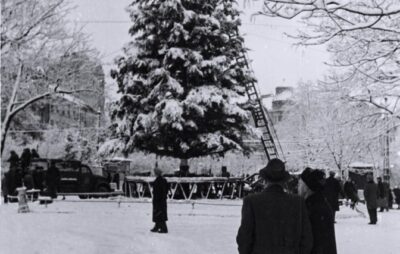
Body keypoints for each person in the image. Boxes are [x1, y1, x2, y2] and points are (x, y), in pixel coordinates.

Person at [237, 159, 313, 254]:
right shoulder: (297, 202)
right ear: (284, 181)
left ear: (264, 179)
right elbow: (307, 238)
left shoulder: (252, 201)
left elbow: (244, 238)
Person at [298, 167, 337, 254]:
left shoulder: (313, 207)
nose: (298, 187)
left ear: (306, 187)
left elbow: (315, 242)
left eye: (300, 184)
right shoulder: (318, 202)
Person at [151, 168, 169, 233]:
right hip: (162, 199)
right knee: (159, 213)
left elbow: (159, 190)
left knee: (160, 213)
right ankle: (157, 226)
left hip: (159, 199)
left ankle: (164, 228)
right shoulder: (163, 180)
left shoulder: (158, 180)